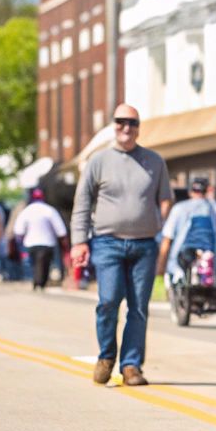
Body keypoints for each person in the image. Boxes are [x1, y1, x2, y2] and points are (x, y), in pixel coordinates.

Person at [70, 103, 171, 387]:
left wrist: (157, 224)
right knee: (108, 301)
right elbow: (82, 203)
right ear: (113, 125)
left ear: (139, 128)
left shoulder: (154, 161)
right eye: (121, 121)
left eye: (132, 123)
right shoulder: (98, 161)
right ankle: (106, 357)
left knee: (138, 307)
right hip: (107, 243)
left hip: (144, 245)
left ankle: (131, 366)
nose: (126, 127)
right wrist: (79, 242)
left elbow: (165, 198)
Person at [158, 177, 216, 285]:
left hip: (181, 263)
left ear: (190, 192)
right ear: (207, 191)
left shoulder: (179, 208)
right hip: (214, 264)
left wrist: (160, 268)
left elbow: (166, 240)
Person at [14, 188, 67, 290]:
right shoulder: (49, 210)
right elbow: (61, 230)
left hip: (30, 243)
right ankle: (40, 282)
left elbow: (18, 230)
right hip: (47, 243)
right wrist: (63, 240)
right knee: (44, 264)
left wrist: (21, 239)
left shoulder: (27, 211)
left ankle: (36, 281)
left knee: (34, 263)